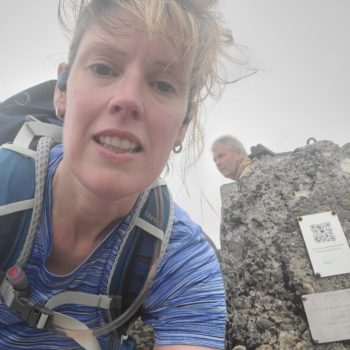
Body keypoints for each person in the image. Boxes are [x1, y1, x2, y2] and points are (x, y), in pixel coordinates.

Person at [0, 0, 237, 349]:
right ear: (61, 91)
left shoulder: (182, 261)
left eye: (162, 84)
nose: (128, 99)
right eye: (103, 68)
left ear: (184, 125)